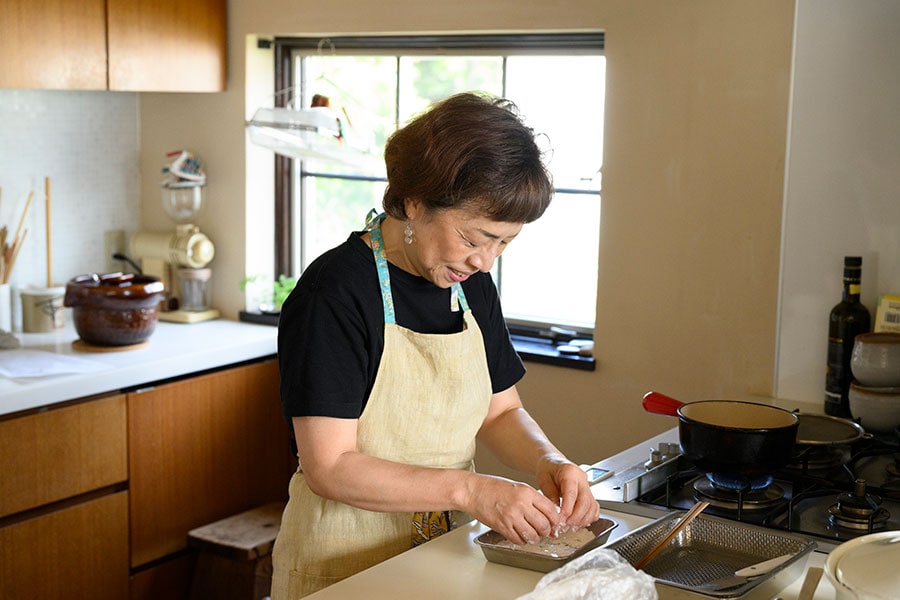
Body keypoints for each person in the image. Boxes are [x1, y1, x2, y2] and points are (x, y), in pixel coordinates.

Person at [271, 92, 600, 599]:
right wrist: (473, 490)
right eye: (473, 238)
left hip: (443, 556)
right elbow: (329, 466)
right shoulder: (334, 293)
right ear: (414, 202)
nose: (485, 261)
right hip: (342, 569)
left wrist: (548, 462)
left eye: (503, 243)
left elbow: (499, 412)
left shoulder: (469, 286)